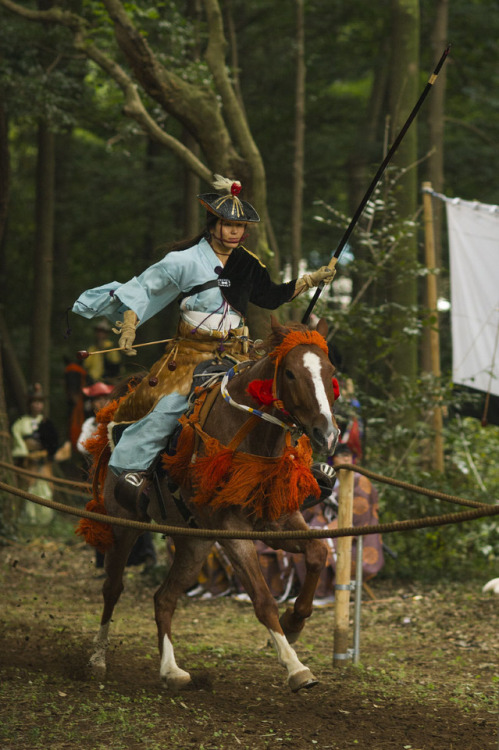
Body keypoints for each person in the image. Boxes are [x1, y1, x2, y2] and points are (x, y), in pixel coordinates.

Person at [72, 174, 336, 506]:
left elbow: (271, 297)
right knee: (166, 409)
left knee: (280, 400)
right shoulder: (183, 261)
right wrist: (129, 324)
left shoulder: (249, 264)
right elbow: (144, 289)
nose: (234, 232)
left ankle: (297, 475)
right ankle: (133, 472)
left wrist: (312, 279)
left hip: (239, 355)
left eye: (239, 227)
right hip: (191, 356)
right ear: (213, 224)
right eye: (227, 225)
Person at [76, 381, 157, 572]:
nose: (100, 402)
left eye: (104, 397)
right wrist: (100, 441)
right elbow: (81, 446)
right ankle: (105, 565)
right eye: (97, 399)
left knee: (135, 511)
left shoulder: (121, 417)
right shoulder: (90, 423)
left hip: (125, 471)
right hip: (99, 475)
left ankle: (146, 557)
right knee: (102, 517)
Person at [11, 384, 71, 524]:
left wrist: (48, 453)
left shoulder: (46, 423)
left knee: (45, 490)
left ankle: (44, 520)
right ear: (29, 404)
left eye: (40, 402)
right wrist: (25, 454)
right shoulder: (21, 423)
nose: (37, 405)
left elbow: (53, 444)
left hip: (44, 462)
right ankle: (28, 520)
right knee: (28, 489)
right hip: (28, 463)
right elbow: (18, 441)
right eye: (34, 402)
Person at [82, 319, 123, 383]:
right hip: (92, 382)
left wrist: (104, 350)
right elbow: (86, 365)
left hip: (107, 382)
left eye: (103, 332)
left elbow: (115, 362)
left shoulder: (111, 348)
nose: (100, 334)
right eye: (98, 331)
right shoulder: (92, 349)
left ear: (107, 334)